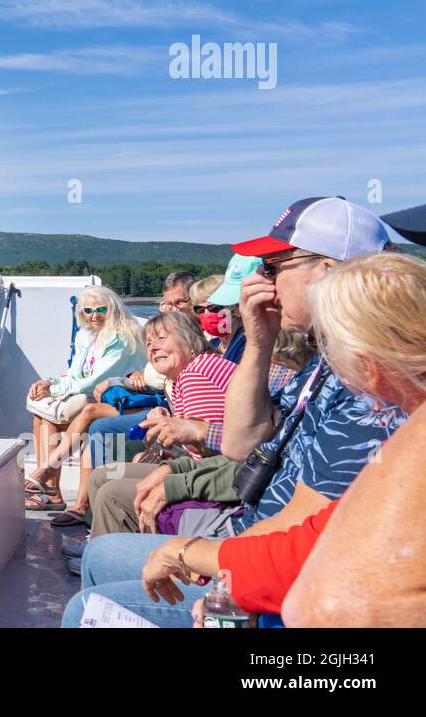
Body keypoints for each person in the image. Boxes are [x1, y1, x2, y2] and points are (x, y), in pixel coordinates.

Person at [61, 197, 402, 628]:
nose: (264, 281)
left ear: (328, 272)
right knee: (99, 554)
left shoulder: (370, 386)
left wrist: (203, 561)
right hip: (250, 533)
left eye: (275, 267)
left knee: (83, 610)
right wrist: (260, 340)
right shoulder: (324, 364)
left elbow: (301, 530)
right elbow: (243, 445)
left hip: (282, 581)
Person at [136, 253, 426, 627]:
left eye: (332, 343)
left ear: (367, 364)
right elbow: (253, 456)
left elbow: (315, 553)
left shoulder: (381, 415)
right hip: (254, 543)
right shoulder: (401, 417)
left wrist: (211, 569)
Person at [49, 309, 233, 532]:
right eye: (148, 343)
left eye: (162, 338)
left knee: (111, 492)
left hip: (220, 473)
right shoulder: (184, 376)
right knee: (100, 477)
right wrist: (167, 425)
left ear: (190, 340)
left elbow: (211, 449)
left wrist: (167, 442)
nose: (153, 347)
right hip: (205, 464)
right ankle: (100, 542)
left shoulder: (197, 374)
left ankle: (109, 555)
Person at [22, 286, 143, 511]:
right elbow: (76, 374)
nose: (94, 315)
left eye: (100, 309)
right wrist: (50, 384)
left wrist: (55, 389)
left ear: (113, 309)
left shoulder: (122, 339)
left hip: (118, 398)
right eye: (88, 310)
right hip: (92, 396)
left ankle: (52, 484)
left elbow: (93, 380)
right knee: (44, 417)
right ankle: (52, 492)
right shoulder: (86, 336)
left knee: (79, 419)